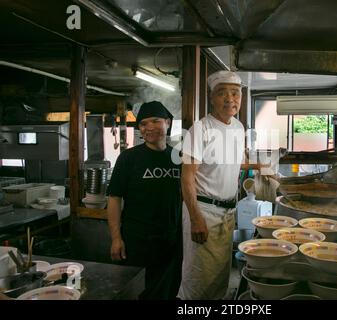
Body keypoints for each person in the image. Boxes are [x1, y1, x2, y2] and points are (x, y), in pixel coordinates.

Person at [178, 71, 263, 300]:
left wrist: (264, 167)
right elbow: (186, 178)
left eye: (235, 93)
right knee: (198, 280)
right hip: (203, 211)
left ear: (241, 98)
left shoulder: (237, 127)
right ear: (212, 98)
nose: (230, 99)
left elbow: (236, 162)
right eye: (222, 93)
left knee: (218, 278)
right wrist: (196, 219)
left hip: (227, 212)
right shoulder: (200, 129)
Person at [106, 101, 182, 300]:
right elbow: (114, 199)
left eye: (155, 121)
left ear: (167, 122)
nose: (149, 128)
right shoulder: (128, 158)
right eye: (143, 124)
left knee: (168, 292)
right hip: (137, 241)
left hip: (172, 241)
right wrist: (116, 238)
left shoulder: (178, 157)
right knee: (139, 293)